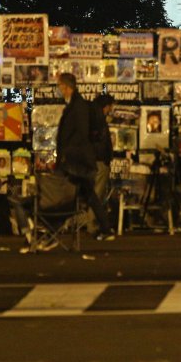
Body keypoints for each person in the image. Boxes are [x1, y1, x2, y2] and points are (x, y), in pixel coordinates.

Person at [56, 73, 114, 241]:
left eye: (60, 87)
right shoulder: (77, 105)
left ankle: (51, 230)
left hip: (76, 161)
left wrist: (69, 155)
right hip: (77, 159)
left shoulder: (78, 106)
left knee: (61, 194)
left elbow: (80, 133)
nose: (59, 90)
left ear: (66, 87)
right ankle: (105, 228)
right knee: (90, 196)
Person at [79, 94, 114, 234]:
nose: (111, 109)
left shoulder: (89, 117)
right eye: (111, 106)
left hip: (92, 161)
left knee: (93, 192)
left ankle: (91, 222)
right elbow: (101, 142)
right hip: (100, 160)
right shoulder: (99, 120)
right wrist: (104, 157)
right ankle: (92, 223)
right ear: (106, 106)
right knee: (97, 193)